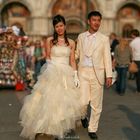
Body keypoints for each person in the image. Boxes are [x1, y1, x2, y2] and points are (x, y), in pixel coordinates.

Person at [19, 14, 84, 140]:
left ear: (65, 26)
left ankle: (62, 128)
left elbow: (72, 60)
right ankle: (47, 127)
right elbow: (48, 56)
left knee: (64, 101)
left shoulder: (71, 42)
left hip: (66, 73)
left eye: (61, 26)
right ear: (54, 28)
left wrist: (75, 75)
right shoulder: (49, 40)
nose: (59, 28)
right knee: (49, 100)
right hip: (52, 70)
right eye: (56, 26)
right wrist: (50, 70)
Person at [76, 11, 112, 139]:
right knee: (82, 101)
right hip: (83, 72)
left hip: (98, 73)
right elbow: (77, 54)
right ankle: (83, 116)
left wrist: (109, 75)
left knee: (96, 104)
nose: (97, 23)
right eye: (94, 20)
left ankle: (92, 129)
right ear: (88, 21)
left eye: (98, 20)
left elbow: (107, 57)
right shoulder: (81, 37)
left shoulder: (104, 39)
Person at [129, 29, 140, 93]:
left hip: (136, 60)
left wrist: (131, 61)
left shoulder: (132, 43)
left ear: (133, 35)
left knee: (138, 76)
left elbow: (131, 53)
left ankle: (138, 90)